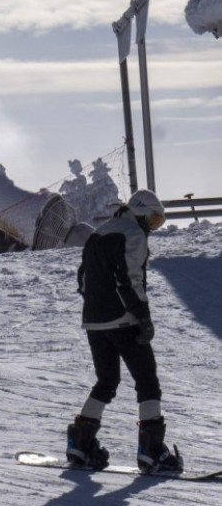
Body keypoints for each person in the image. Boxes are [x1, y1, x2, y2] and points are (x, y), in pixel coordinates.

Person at [66, 189, 183, 473]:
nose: (152, 227)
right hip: (123, 319)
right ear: (140, 212)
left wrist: (99, 307)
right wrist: (142, 316)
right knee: (147, 382)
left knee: (106, 382)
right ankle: (152, 451)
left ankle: (80, 444)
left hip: (94, 321)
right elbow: (128, 279)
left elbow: (83, 279)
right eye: (153, 220)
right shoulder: (133, 233)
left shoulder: (101, 231)